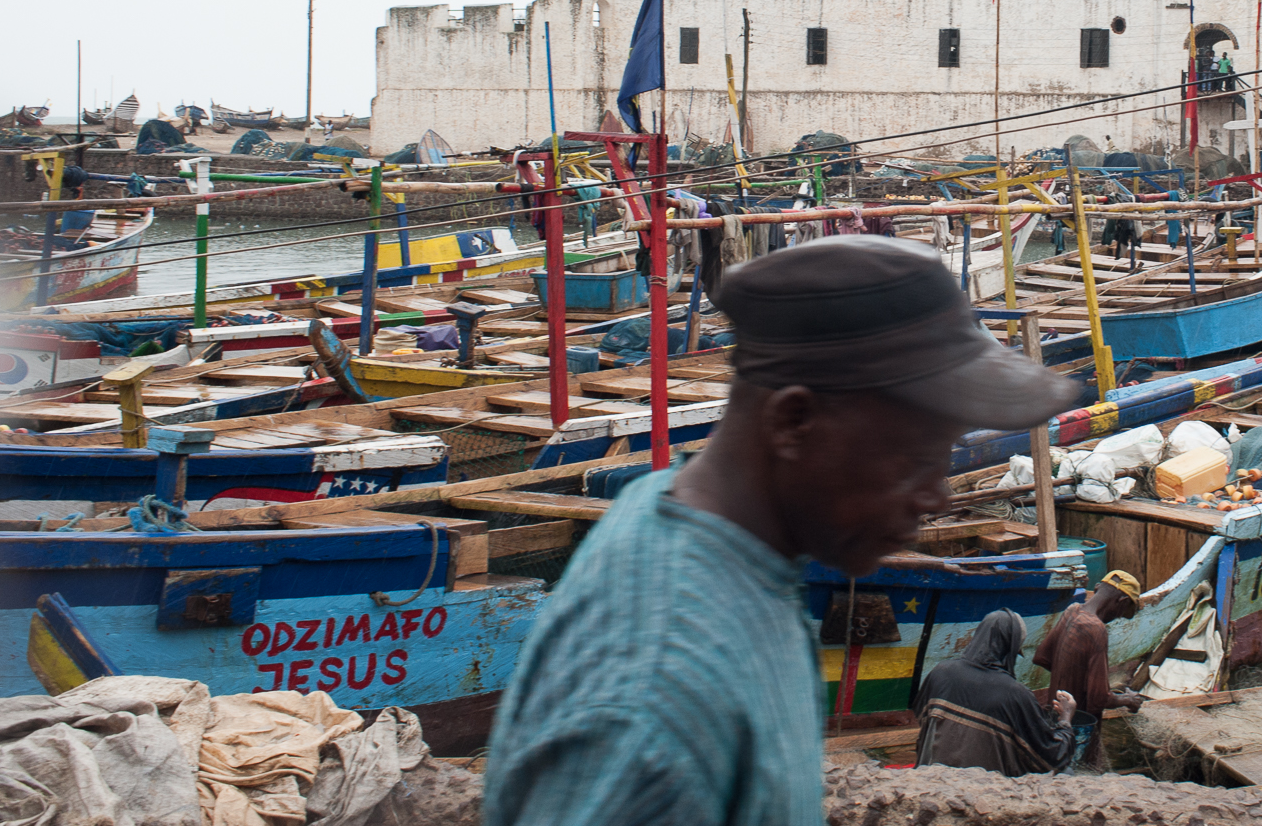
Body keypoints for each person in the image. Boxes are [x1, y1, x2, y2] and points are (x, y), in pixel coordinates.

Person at [482, 237, 1076, 826]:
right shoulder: (656, 708)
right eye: (917, 458)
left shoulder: (688, 524)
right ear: (793, 422)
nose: (938, 495)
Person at [912, 609, 1078, 775]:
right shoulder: (1015, 694)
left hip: (931, 777)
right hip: (981, 790)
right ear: (1010, 649)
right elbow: (1053, 758)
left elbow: (922, 718)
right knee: (1066, 773)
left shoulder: (940, 673)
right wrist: (1065, 718)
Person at [1033, 570, 1146, 765]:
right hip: (1079, 728)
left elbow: (1042, 657)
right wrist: (1128, 699)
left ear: (1097, 588)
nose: (1118, 617)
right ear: (1121, 602)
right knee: (1080, 774)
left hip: (1054, 716)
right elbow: (1099, 698)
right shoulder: (1096, 629)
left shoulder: (1072, 610)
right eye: (1122, 613)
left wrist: (1073, 676)